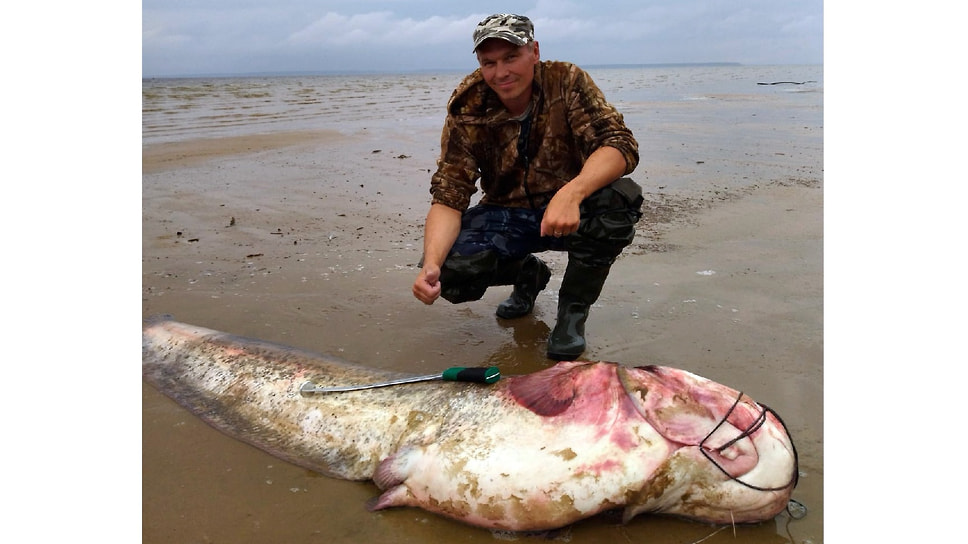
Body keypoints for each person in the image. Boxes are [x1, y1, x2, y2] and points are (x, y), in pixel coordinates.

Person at [411, 13, 643, 360]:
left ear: (534, 51)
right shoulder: (468, 104)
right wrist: (430, 264)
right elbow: (449, 192)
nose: (501, 72)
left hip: (570, 211)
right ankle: (528, 274)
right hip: (507, 211)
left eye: (510, 57)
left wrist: (572, 192)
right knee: (448, 270)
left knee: (617, 204)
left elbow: (619, 145)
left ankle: (572, 314)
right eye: (489, 62)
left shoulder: (567, 81)